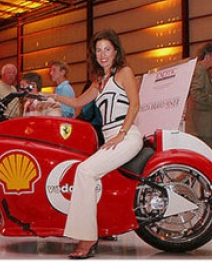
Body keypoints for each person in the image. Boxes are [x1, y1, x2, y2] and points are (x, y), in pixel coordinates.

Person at [47, 29, 143, 259]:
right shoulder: (99, 80)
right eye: (99, 50)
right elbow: (79, 101)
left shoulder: (124, 72)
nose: (103, 54)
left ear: (116, 51)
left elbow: (135, 104)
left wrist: (122, 133)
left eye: (107, 49)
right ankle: (88, 233)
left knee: (85, 171)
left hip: (126, 136)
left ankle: (88, 238)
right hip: (111, 138)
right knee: (85, 171)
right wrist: (51, 96)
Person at [184, 43, 212, 150]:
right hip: (202, 127)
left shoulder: (201, 71)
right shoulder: (200, 70)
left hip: (201, 127)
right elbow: (196, 94)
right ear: (208, 55)